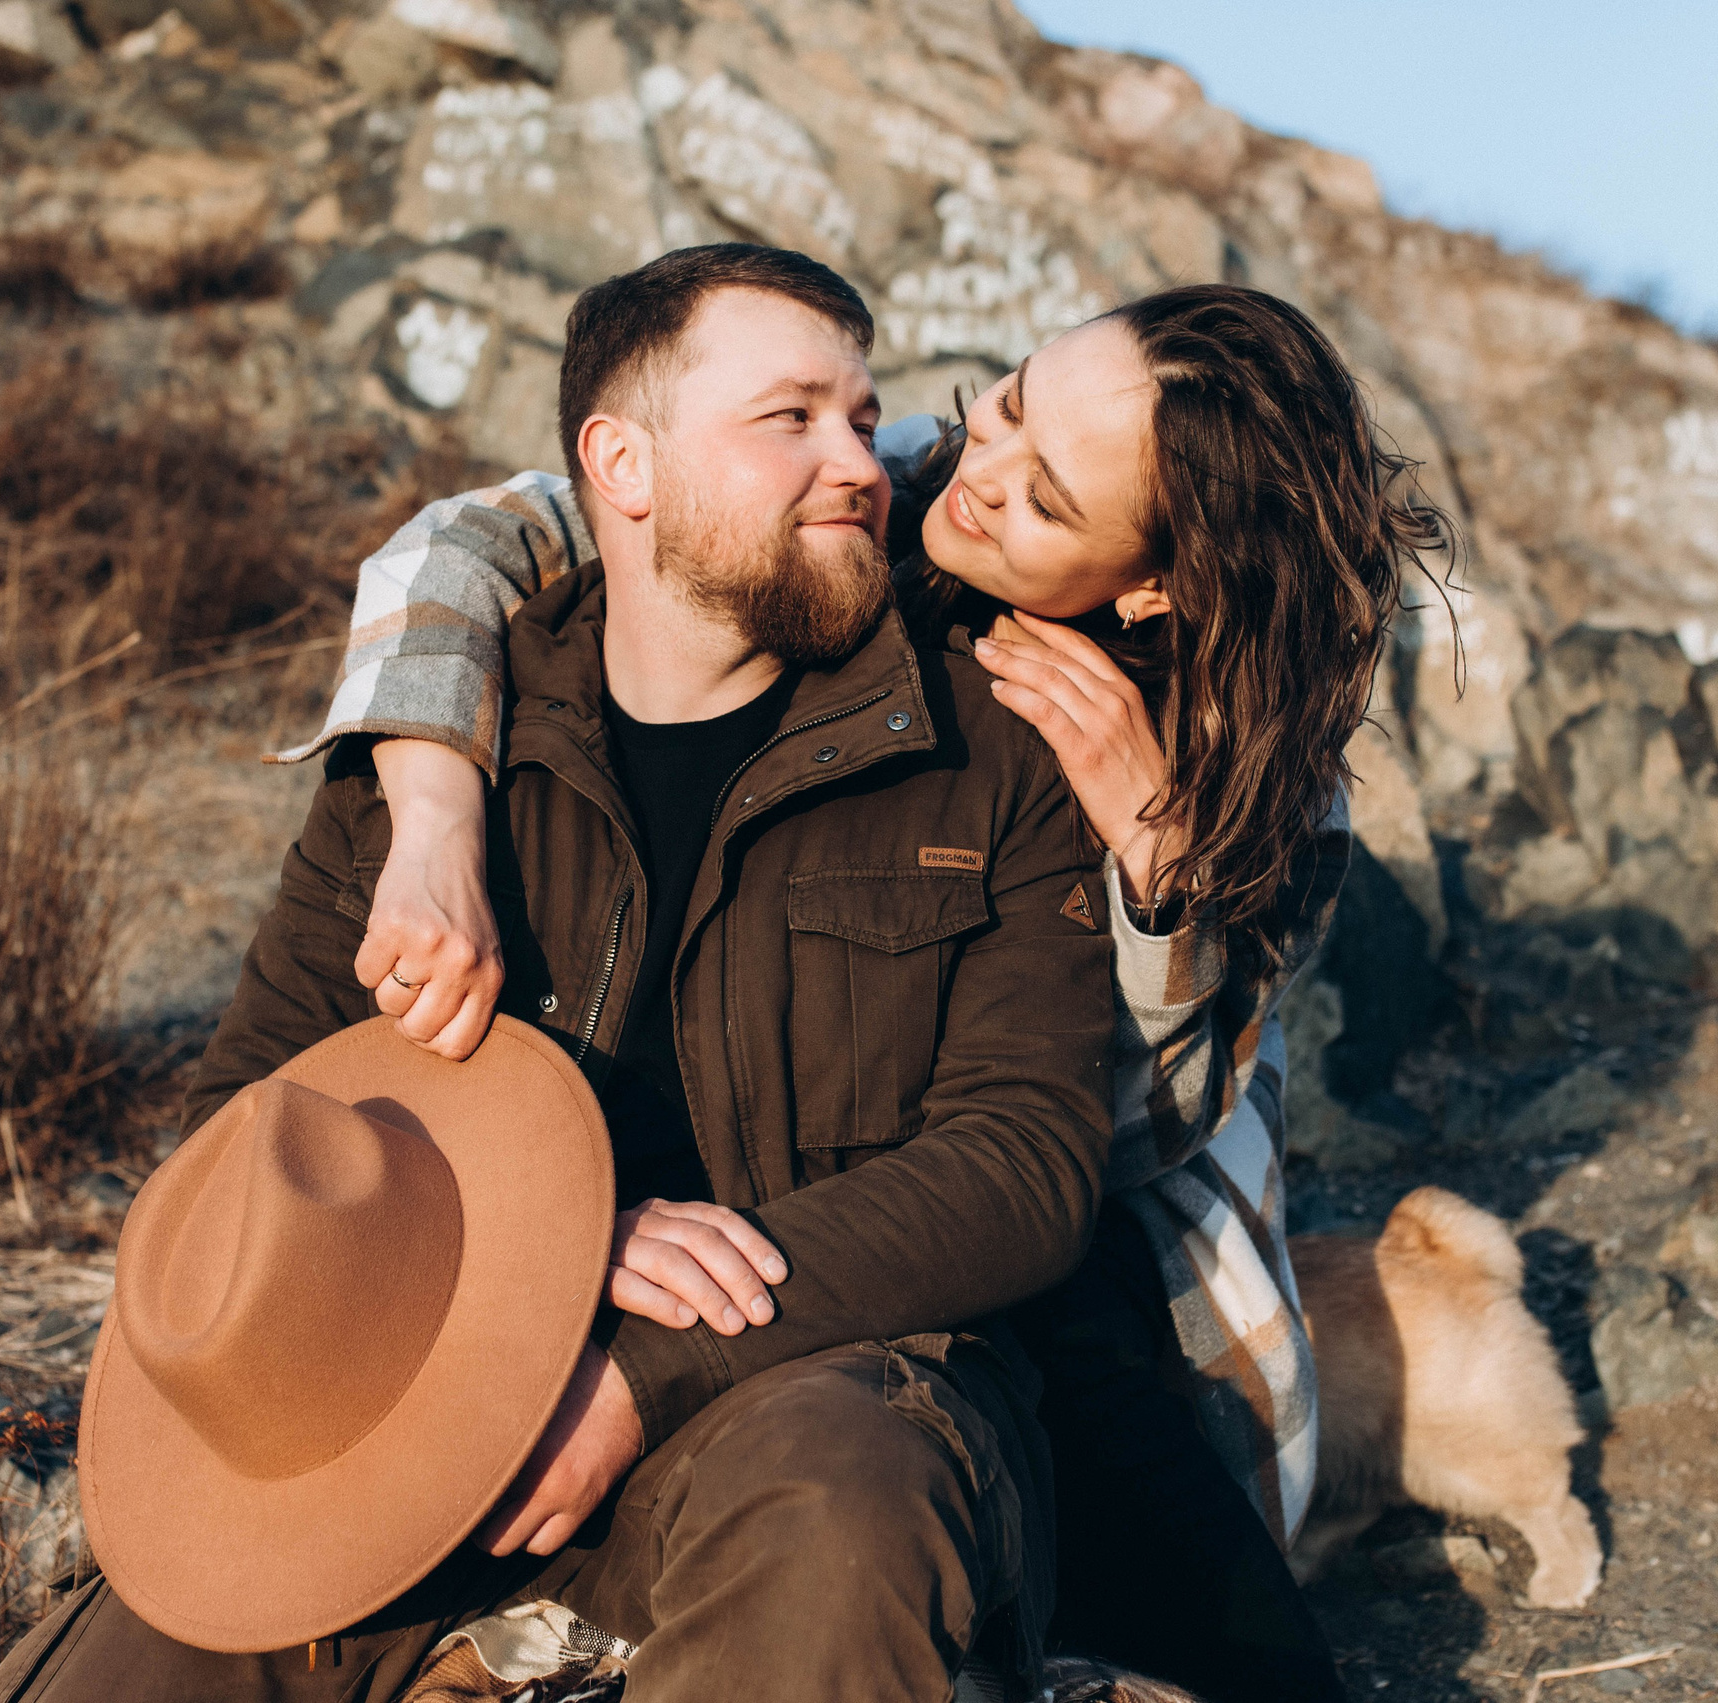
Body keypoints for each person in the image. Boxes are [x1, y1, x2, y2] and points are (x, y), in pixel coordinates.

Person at [0, 244, 1118, 1702]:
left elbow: (1024, 1166)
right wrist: (553, 1246)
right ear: (620, 466)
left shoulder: (988, 746)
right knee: (155, 1642)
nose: (860, 464)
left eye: (864, 412)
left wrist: (642, 1374)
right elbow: (243, 1135)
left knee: (836, 1508)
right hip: (424, 1402)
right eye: (791, 418)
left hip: (805, 1394)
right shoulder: (434, 764)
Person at [303, 280, 1452, 1702]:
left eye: (1042, 499)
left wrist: (1156, 872)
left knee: (1189, 1598)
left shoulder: (1247, 773)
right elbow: (476, 539)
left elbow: (1134, 1138)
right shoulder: (887, 486)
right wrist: (430, 814)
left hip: (1064, 1226)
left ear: (1151, 584)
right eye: (1009, 407)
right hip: (789, 1140)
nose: (977, 482)